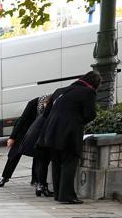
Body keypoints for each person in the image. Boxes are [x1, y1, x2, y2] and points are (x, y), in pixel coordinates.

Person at [42, 71, 100, 204]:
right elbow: (90, 114)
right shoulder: (88, 92)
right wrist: (77, 121)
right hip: (70, 133)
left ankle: (58, 193)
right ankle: (67, 196)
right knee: (69, 161)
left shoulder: (59, 91)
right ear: (95, 84)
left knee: (56, 162)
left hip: (51, 132)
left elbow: (46, 113)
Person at [0, 93, 52, 191]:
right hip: (24, 131)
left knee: (37, 154)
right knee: (14, 154)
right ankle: (5, 177)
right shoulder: (33, 103)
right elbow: (22, 120)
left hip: (37, 133)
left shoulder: (50, 106)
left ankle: (35, 180)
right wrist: (12, 137)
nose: (45, 108)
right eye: (44, 106)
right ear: (43, 102)